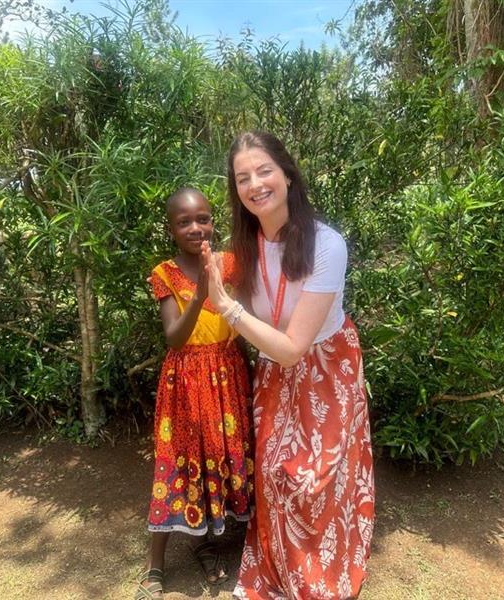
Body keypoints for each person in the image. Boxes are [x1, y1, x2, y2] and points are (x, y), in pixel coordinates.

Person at [201, 132, 375, 599]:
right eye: (243, 178)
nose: (255, 184)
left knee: (314, 481)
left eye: (264, 171)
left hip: (325, 367)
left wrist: (228, 308)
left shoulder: (326, 245)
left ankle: (323, 576)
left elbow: (295, 346)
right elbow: (262, 327)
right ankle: (280, 569)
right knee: (276, 476)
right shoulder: (246, 246)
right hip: (273, 372)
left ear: (287, 174)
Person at [136, 187, 254, 600]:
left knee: (218, 461)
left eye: (202, 218)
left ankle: (208, 544)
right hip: (186, 384)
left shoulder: (231, 264)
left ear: (213, 221)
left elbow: (243, 324)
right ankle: (155, 566)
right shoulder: (164, 273)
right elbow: (174, 337)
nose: (195, 227)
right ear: (171, 229)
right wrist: (201, 293)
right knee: (179, 462)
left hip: (228, 378)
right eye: (184, 221)